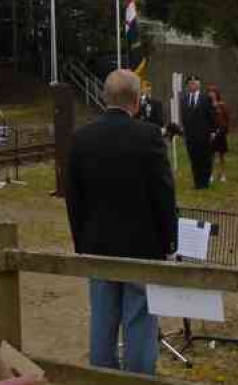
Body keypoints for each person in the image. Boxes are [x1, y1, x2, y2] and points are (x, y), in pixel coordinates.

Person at [65, 69, 177, 375]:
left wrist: (81, 244)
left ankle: (102, 378)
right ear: (137, 101)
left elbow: (73, 199)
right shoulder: (149, 136)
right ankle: (138, 379)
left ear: (105, 98)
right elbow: (164, 195)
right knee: (139, 318)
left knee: (102, 318)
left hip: (97, 245)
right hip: (142, 246)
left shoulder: (80, 138)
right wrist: (170, 244)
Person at [181, 74, 214, 189]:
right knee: (194, 158)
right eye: (190, 83)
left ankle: (205, 182)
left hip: (204, 134)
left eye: (195, 83)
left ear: (199, 85)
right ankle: (197, 182)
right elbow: (184, 117)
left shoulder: (205, 98)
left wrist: (212, 131)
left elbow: (211, 116)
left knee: (204, 158)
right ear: (187, 86)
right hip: (190, 135)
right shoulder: (184, 99)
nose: (192, 85)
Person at [207, 85, 229, 183]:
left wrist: (223, 130)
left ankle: (223, 174)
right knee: (211, 156)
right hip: (210, 133)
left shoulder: (222, 105)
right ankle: (211, 174)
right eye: (210, 92)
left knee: (221, 155)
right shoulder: (207, 105)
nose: (211, 94)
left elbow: (227, 119)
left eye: (213, 92)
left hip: (221, 133)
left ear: (217, 94)